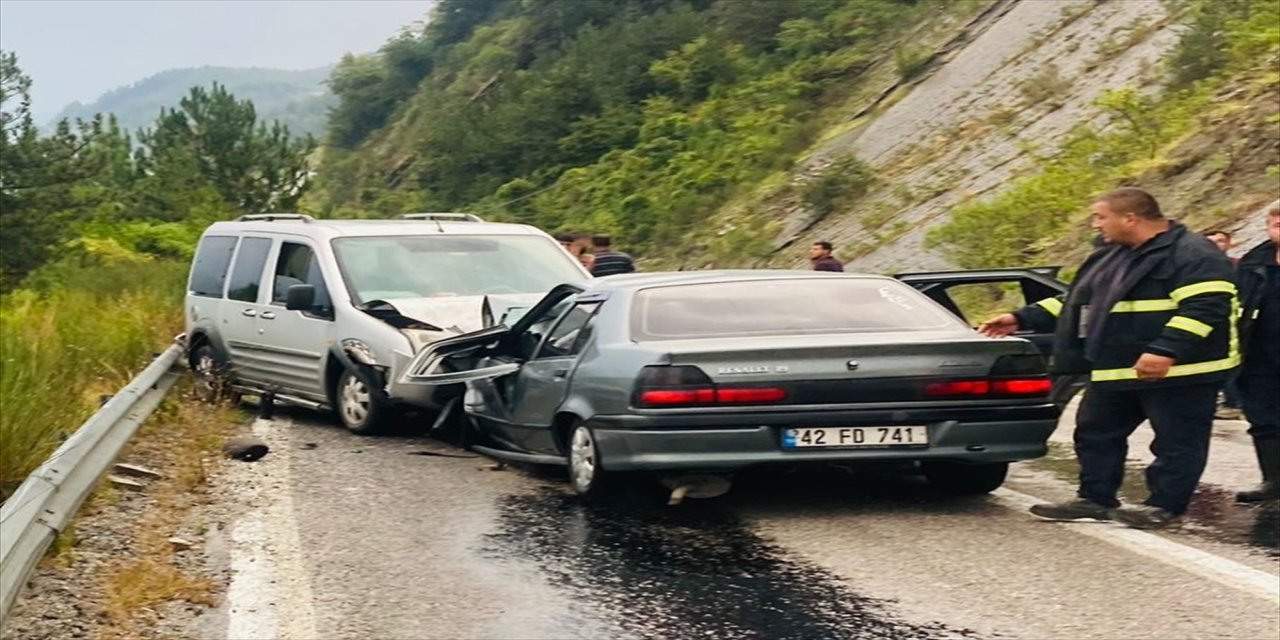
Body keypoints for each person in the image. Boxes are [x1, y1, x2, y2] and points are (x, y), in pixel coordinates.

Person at [978, 188, 1237, 529]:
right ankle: (1095, 498)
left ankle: (1164, 506)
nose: (1095, 224)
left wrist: (1166, 350)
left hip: (1179, 371)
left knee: (1176, 442)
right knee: (1094, 432)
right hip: (1114, 366)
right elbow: (1075, 302)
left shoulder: (1193, 253)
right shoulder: (1109, 255)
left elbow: (1207, 307)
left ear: (1130, 218)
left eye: (1100, 217)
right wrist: (1021, 318)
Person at [1233, 203, 1280, 503]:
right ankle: (1273, 481)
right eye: (1274, 219)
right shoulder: (1254, 261)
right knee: (1263, 419)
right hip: (1259, 354)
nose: (1278, 223)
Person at [1203, 229, 1244, 419]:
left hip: (1238, 323)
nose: (1216, 245)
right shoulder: (1195, 267)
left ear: (1229, 244)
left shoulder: (1241, 266)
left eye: (1220, 241)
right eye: (1211, 241)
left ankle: (1234, 403)